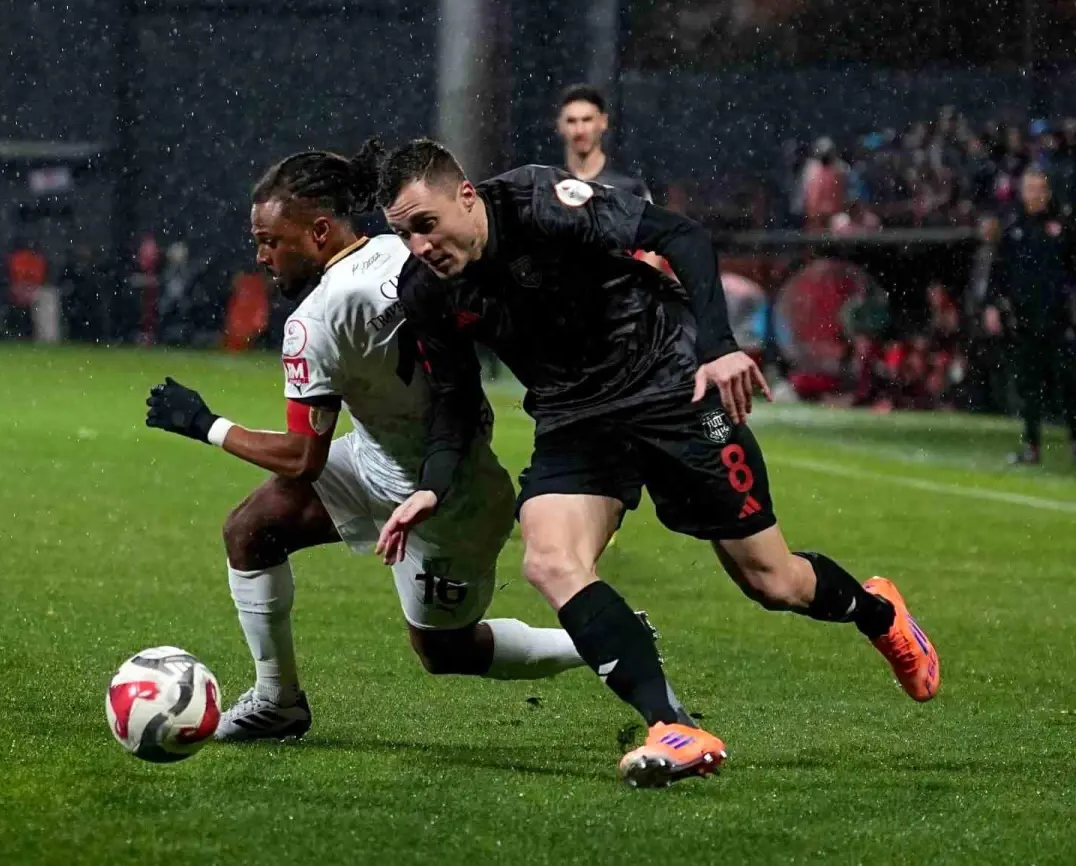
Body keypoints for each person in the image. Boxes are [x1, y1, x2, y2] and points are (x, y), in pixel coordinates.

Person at [371, 140, 940, 788]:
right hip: (575, 420)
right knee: (550, 560)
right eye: (402, 233)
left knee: (772, 581)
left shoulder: (539, 203)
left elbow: (679, 234)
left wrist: (719, 348)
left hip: (672, 386)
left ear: (465, 196)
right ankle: (674, 725)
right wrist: (431, 487)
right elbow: (453, 396)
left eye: (425, 224)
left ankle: (880, 614)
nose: (419, 245)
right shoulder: (425, 290)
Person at [143, 142, 590, 742]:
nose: (262, 255)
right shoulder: (399, 250)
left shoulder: (314, 321)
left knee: (446, 652)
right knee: (251, 530)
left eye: (271, 240)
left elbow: (304, 459)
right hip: (394, 457)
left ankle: (600, 637)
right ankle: (277, 701)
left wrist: (205, 424)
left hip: (441, 503)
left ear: (320, 231)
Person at [984, 167, 1076, 465]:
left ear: (1047, 193)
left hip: (1059, 317)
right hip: (1024, 319)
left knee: (1068, 382)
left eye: (1038, 189)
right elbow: (998, 271)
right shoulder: (1013, 227)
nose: (1033, 194)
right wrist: (992, 306)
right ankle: (1032, 446)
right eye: (1029, 188)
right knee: (1029, 385)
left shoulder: (1062, 226)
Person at [556, 83, 665, 275]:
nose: (580, 130)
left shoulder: (629, 186)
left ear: (603, 122)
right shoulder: (548, 186)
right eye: (572, 121)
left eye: (587, 120)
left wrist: (634, 292)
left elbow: (655, 244)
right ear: (560, 126)